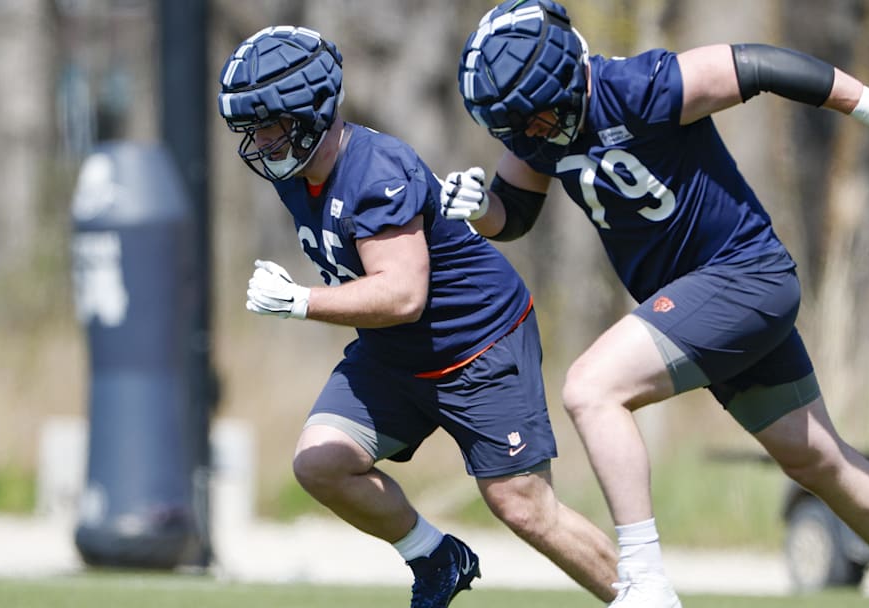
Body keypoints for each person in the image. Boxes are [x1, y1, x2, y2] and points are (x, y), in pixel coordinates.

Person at [441, 2, 869, 607]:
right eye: (514, 124)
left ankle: (645, 582)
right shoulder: (535, 134)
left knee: (591, 388)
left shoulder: (642, 85)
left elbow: (759, 65)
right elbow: (513, 213)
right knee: (814, 459)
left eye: (534, 117)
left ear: (566, 83)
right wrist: (481, 210)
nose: (528, 134)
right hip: (711, 302)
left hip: (742, 277)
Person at [216, 25, 619, 608]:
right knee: (321, 462)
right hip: (397, 352)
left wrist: (301, 301)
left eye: (268, 124)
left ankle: (643, 599)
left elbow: (402, 294)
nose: (260, 141)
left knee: (523, 505)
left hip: (476, 346)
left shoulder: (375, 171)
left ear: (308, 114)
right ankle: (435, 556)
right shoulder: (299, 174)